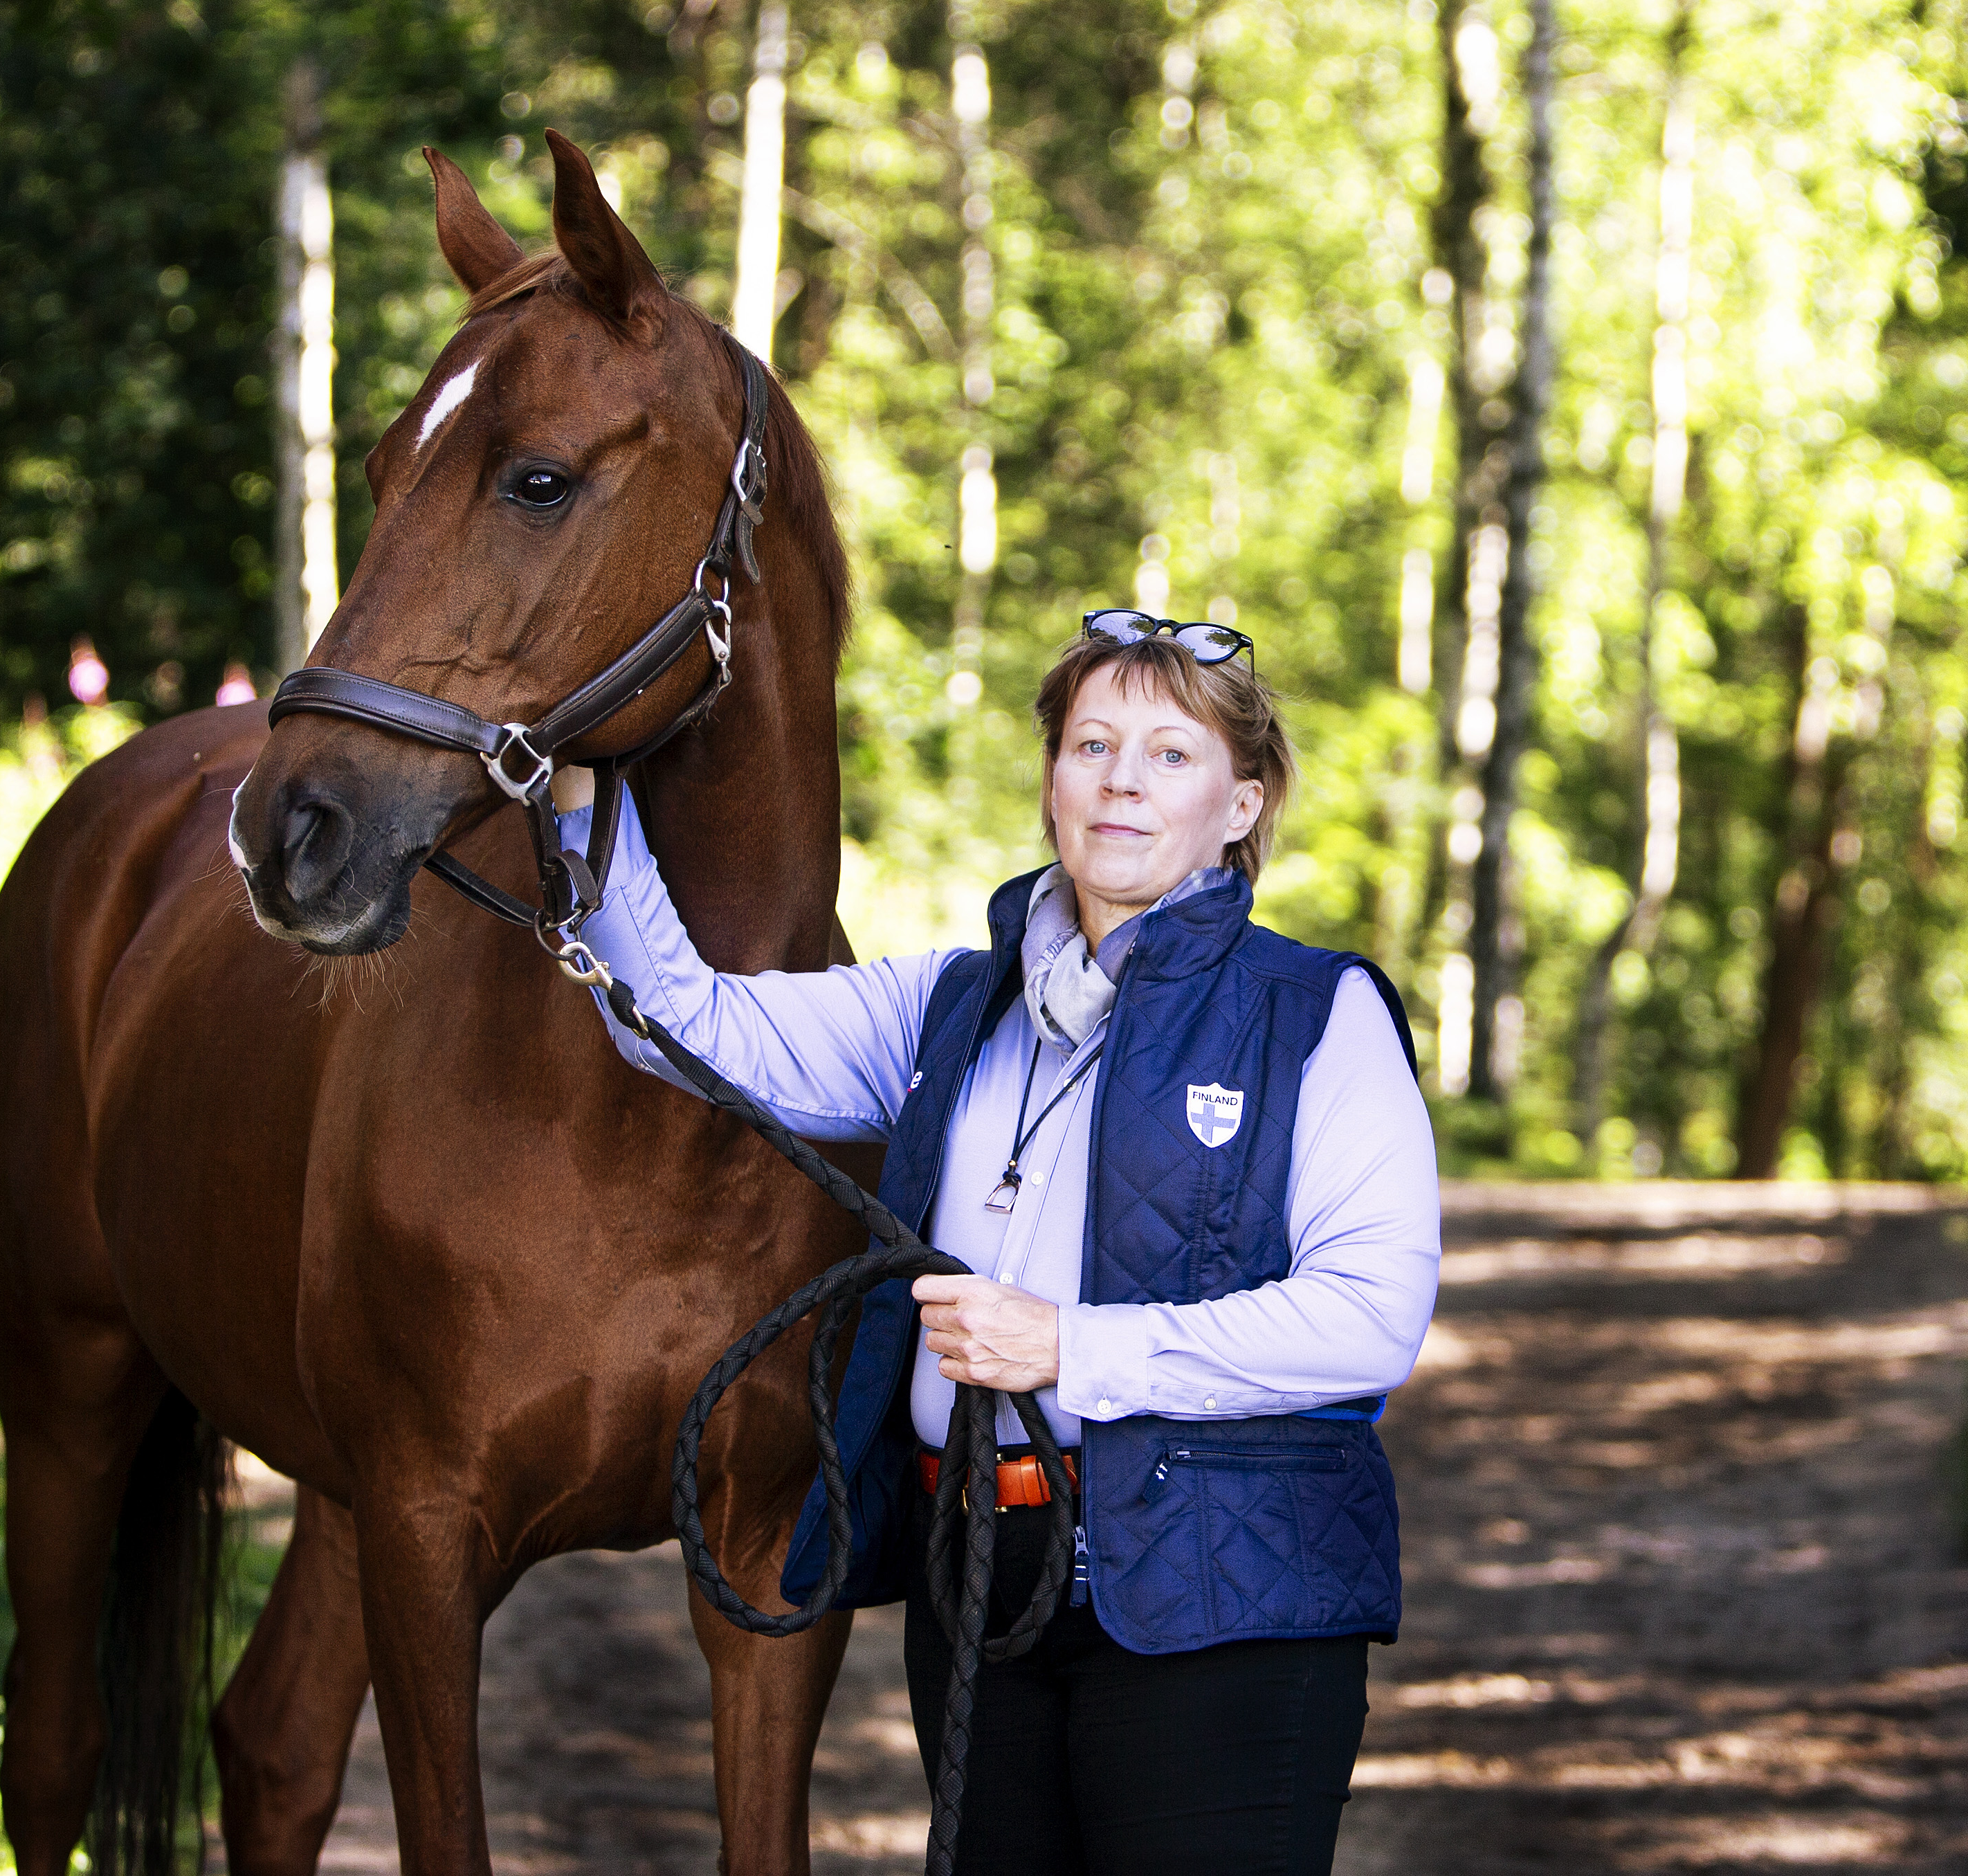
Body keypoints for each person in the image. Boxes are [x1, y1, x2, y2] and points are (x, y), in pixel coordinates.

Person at [552, 610, 1442, 1875]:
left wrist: (1066, 1347)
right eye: (1090, 743)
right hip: (980, 1587)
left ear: (1241, 807)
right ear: (1052, 784)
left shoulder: (1316, 1014)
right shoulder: (951, 1005)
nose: (1121, 778)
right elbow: (680, 1024)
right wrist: (591, 793)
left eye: (1169, 754)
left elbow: (1367, 1320)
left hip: (1221, 1604)